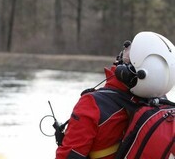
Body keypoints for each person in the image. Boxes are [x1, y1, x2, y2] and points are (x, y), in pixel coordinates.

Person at [55, 31, 175, 159]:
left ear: (131, 73)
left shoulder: (92, 105)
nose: (125, 49)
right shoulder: (161, 104)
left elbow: (68, 156)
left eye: (131, 54)